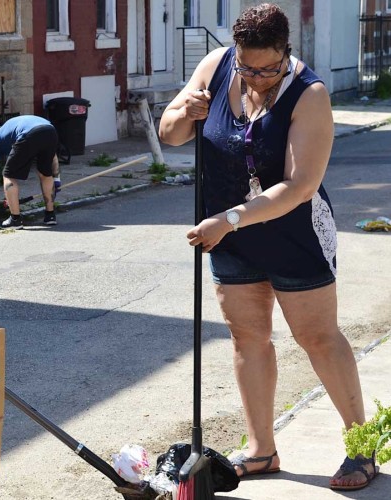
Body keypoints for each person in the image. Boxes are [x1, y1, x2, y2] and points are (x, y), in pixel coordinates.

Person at [159, 3, 377, 492]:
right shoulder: (216, 67)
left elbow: (299, 186)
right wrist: (184, 112)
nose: (255, 77)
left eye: (267, 68)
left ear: (286, 53)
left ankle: (362, 447)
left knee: (318, 337)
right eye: (247, 66)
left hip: (291, 232)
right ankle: (261, 450)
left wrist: (230, 219)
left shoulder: (310, 94)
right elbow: (169, 134)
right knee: (247, 338)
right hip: (228, 233)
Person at [0, 115, 61, 228]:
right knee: (45, 173)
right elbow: (53, 157)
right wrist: (57, 178)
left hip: (29, 134)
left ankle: (15, 219)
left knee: (8, 175)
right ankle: (50, 215)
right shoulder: (11, 127)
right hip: (50, 131)